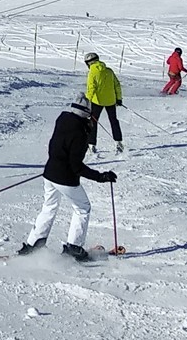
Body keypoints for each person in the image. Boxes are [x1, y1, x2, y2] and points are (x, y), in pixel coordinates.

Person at [20, 99, 117, 262]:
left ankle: (34, 244)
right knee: (82, 208)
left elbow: (58, 147)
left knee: (49, 207)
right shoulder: (80, 132)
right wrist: (100, 177)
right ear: (86, 113)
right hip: (65, 178)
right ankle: (74, 247)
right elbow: (76, 166)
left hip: (50, 173)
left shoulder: (63, 119)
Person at [83, 53, 124, 150]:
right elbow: (117, 85)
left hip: (97, 102)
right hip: (111, 101)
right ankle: (118, 141)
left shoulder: (92, 73)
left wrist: (87, 102)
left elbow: (91, 89)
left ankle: (92, 143)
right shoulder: (109, 71)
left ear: (89, 63)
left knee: (93, 121)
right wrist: (118, 98)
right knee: (113, 120)